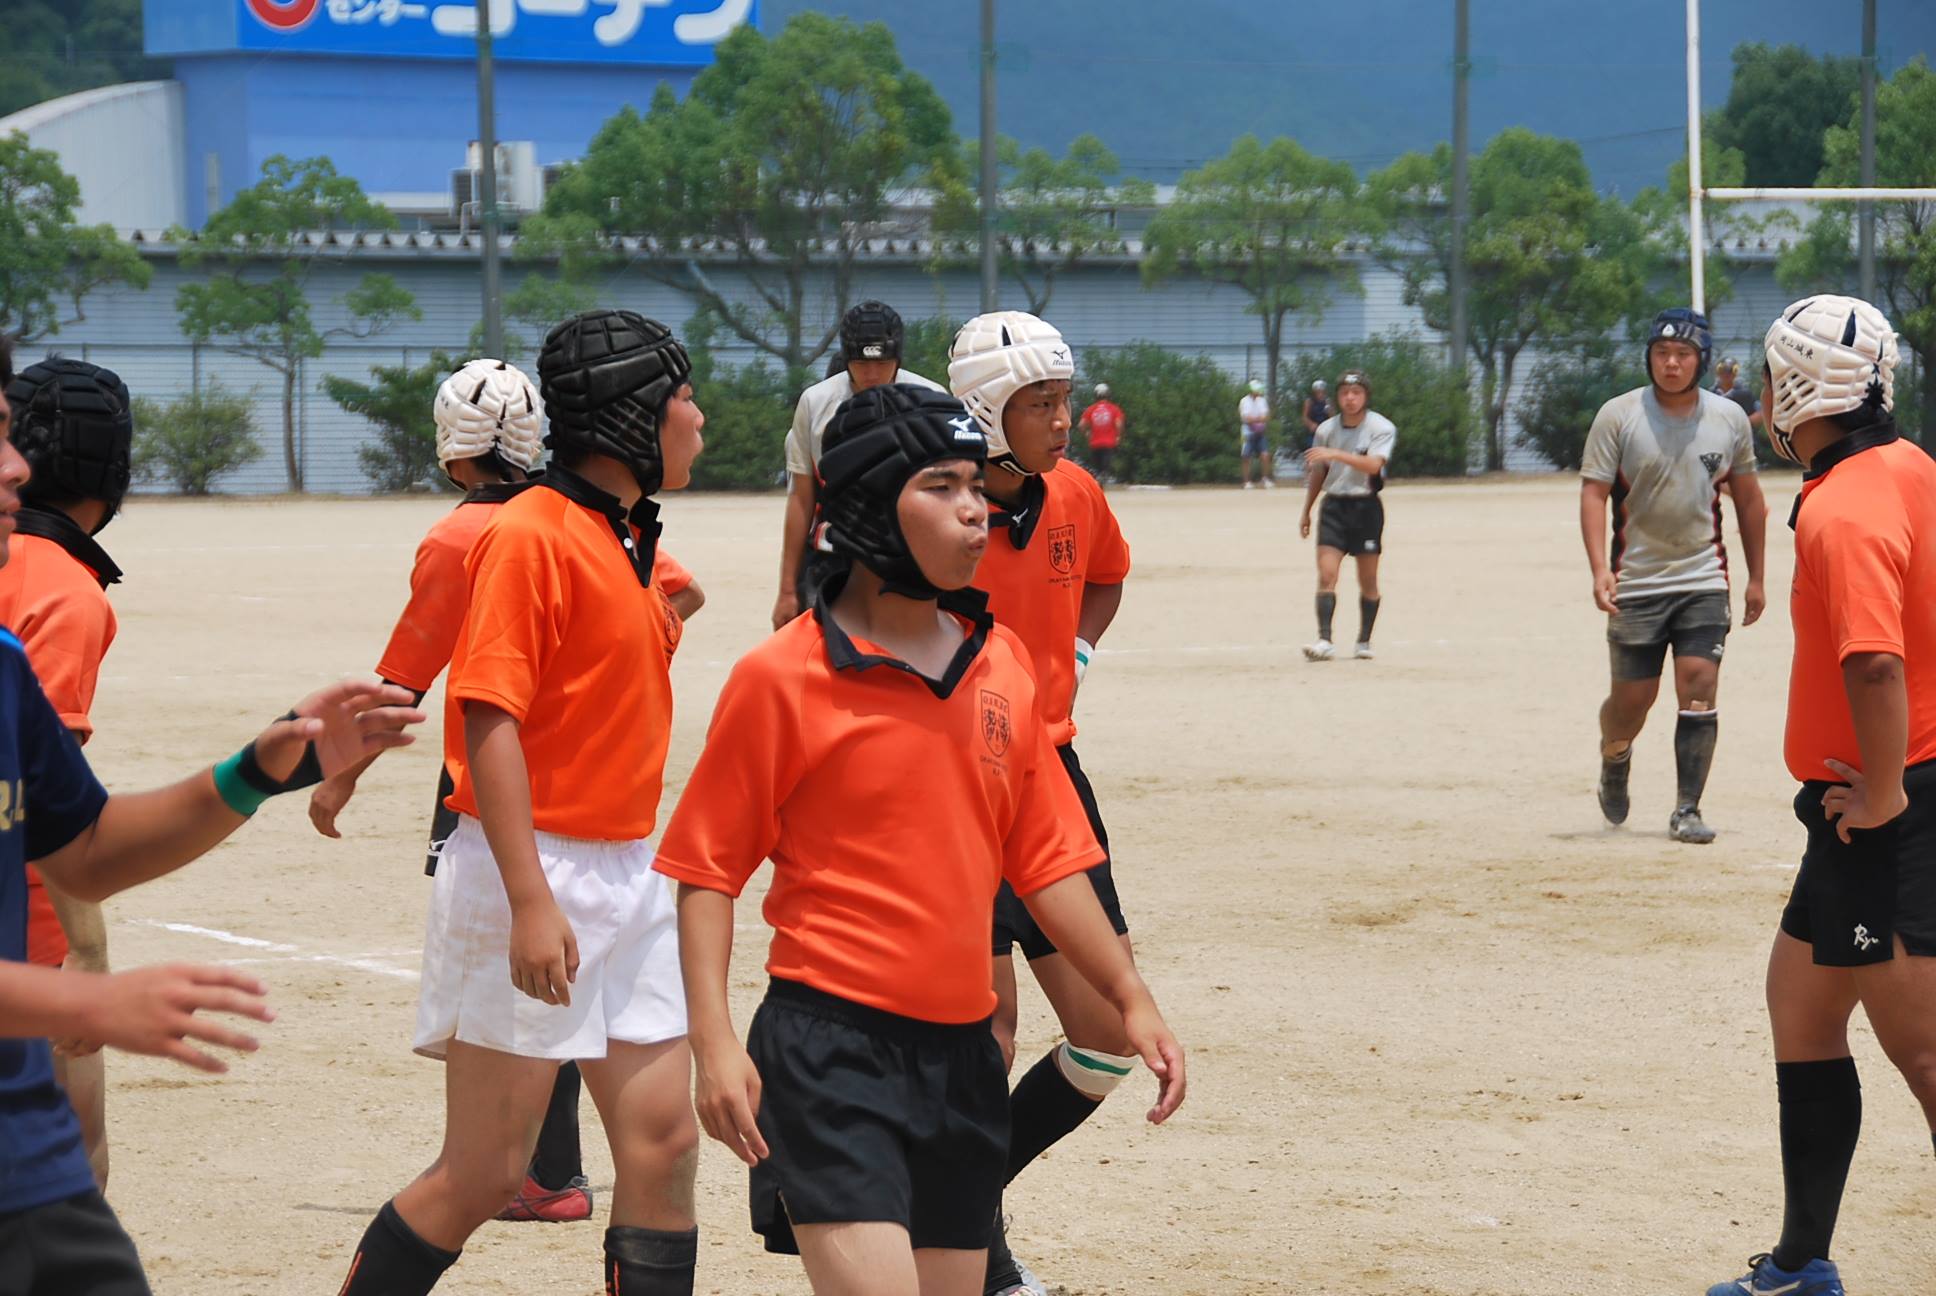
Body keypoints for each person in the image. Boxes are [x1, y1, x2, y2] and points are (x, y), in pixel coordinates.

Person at [654, 381, 1185, 1296]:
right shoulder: (783, 679)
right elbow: (706, 872)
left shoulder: (1000, 664)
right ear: (863, 506)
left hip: (964, 1059)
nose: (975, 509)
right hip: (830, 1055)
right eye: (941, 486)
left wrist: (1129, 995)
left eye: (976, 485)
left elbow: (1049, 858)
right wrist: (714, 1044)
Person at [0, 324, 428, 1296]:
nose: (16, 467)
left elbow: (85, 847)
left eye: (16, 434)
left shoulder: (5, 668)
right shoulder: (65, 595)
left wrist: (259, 767)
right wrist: (85, 989)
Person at [334, 311, 707, 1296]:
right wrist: (531, 898)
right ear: (631, 418)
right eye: (682, 397)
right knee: (487, 1173)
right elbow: (488, 717)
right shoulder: (531, 532)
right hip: (529, 865)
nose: (700, 418)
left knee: (664, 1144)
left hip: (630, 866)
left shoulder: (624, 534)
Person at [1704, 296, 1933, 1296]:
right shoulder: (1908, 465)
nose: (1762, 402)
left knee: (1925, 1056)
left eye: (1769, 382)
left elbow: (1874, 667)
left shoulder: (1841, 507)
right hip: (1855, 811)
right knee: (1801, 1007)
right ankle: (1799, 1264)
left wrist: (1884, 795)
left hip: (1886, 811)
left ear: (1799, 388)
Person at [0, 357, 135, 1190]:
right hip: (29, 933)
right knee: (71, 1169)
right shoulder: (68, 594)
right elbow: (50, 792)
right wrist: (88, 954)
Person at [1579, 308, 1767, 845]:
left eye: (1683, 355)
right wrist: (1599, 570)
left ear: (1701, 360)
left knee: (1699, 685)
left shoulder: (1728, 419)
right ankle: (1615, 756)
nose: (1671, 363)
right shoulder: (1618, 416)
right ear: (1649, 358)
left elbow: (1750, 503)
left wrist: (1756, 578)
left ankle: (1687, 809)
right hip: (1636, 580)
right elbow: (1593, 494)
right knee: (1632, 702)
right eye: (1661, 354)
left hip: (1703, 576)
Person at [772, 300, 945, 629]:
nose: (872, 373)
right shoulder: (816, 402)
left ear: (898, 356)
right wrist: (786, 591)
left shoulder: (931, 400)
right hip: (830, 558)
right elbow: (801, 499)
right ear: (846, 357)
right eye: (861, 362)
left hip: (908, 556)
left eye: (882, 361)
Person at [1300, 369, 1395, 662]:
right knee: (1327, 574)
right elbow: (1319, 472)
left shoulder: (1381, 427)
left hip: (1365, 508)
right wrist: (1307, 510)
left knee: (1368, 580)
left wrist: (1335, 454)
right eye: (1344, 393)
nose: (1350, 398)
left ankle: (1363, 640)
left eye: (1356, 393)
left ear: (1366, 396)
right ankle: (1324, 639)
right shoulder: (1326, 429)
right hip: (1335, 507)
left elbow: (1373, 466)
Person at [1076, 383, 1123, 483]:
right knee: (1105, 468)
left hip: (1095, 443)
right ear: (1108, 394)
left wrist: (1087, 434)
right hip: (1109, 443)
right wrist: (1118, 436)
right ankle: (1104, 483)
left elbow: (1081, 425)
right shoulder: (1114, 409)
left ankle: (1099, 485)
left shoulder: (1090, 409)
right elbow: (1118, 424)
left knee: (1097, 469)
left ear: (1095, 395)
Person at [1238, 379, 1273, 489]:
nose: (1258, 392)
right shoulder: (1244, 401)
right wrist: (1258, 419)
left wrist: (1256, 420)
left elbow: (1266, 416)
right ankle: (1246, 481)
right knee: (1246, 456)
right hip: (1247, 433)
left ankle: (1265, 479)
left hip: (1261, 432)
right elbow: (1245, 418)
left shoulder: (1262, 400)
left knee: (1265, 455)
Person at [1714, 356, 1764, 430]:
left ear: (1735, 372)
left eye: (1731, 371)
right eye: (1723, 370)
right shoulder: (1711, 394)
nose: (1726, 374)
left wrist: (1741, 423)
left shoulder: (1745, 394)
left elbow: (1760, 414)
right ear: (1718, 371)